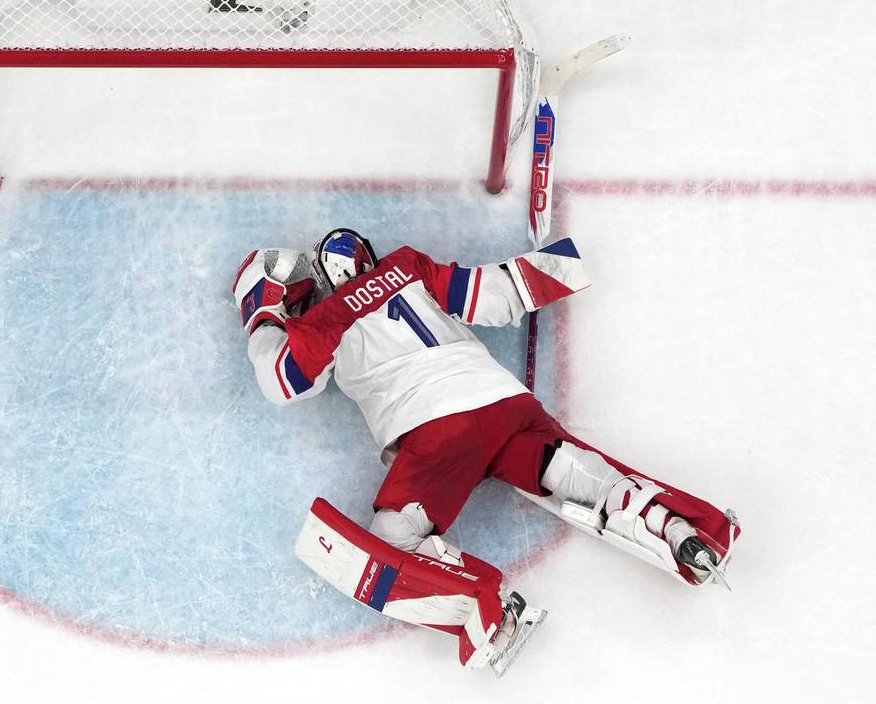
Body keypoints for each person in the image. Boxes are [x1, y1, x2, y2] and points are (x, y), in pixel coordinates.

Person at [231, 229, 741, 672]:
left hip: (437, 433)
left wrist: (263, 316)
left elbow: (282, 381)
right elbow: (497, 292)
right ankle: (678, 527)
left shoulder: (324, 319)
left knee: (393, 536)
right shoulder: (408, 267)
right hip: (507, 405)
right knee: (566, 467)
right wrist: (559, 267)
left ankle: (483, 608)